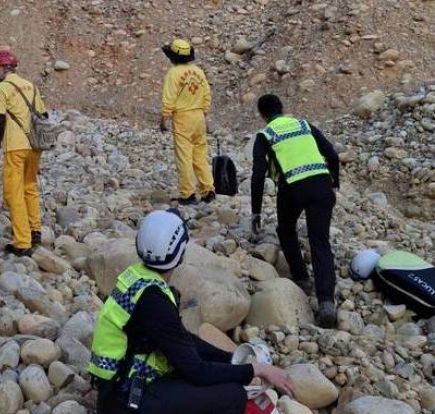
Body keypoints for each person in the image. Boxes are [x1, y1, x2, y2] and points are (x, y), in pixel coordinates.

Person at [88, 209, 295, 414]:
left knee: (217, 381)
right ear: (180, 255)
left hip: (117, 388)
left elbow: (181, 339)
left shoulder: (137, 279)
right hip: (125, 401)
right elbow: (197, 371)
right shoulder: (154, 302)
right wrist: (255, 370)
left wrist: (231, 358)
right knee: (233, 395)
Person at [250, 94, 340, 327]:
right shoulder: (304, 125)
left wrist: (256, 212)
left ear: (262, 115)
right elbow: (331, 154)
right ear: (283, 108)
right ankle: (327, 302)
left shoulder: (265, 135)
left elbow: (258, 175)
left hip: (292, 188)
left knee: (287, 230)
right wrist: (334, 180)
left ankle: (301, 279)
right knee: (320, 241)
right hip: (321, 184)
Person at [0, 50, 46, 257]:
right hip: (35, 145)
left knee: (13, 192)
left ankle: (23, 242)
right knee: (30, 186)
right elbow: (44, 114)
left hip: (15, 145)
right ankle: (35, 229)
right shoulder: (30, 86)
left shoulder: (1, 88)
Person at [159, 39, 215, 205]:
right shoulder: (198, 71)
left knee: (184, 156)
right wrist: (204, 114)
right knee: (200, 154)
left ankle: (187, 194)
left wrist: (164, 117)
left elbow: (168, 97)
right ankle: (208, 190)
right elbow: (207, 95)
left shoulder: (173, 73)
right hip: (198, 116)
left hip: (183, 117)